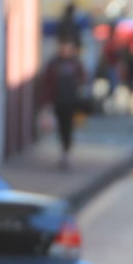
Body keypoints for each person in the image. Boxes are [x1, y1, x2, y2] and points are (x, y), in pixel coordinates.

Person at [39, 39, 88, 170]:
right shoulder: (54, 64)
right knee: (61, 127)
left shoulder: (75, 63)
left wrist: (79, 88)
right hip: (58, 101)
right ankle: (64, 151)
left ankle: (66, 152)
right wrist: (46, 103)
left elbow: (83, 78)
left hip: (71, 102)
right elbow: (47, 83)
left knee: (68, 127)